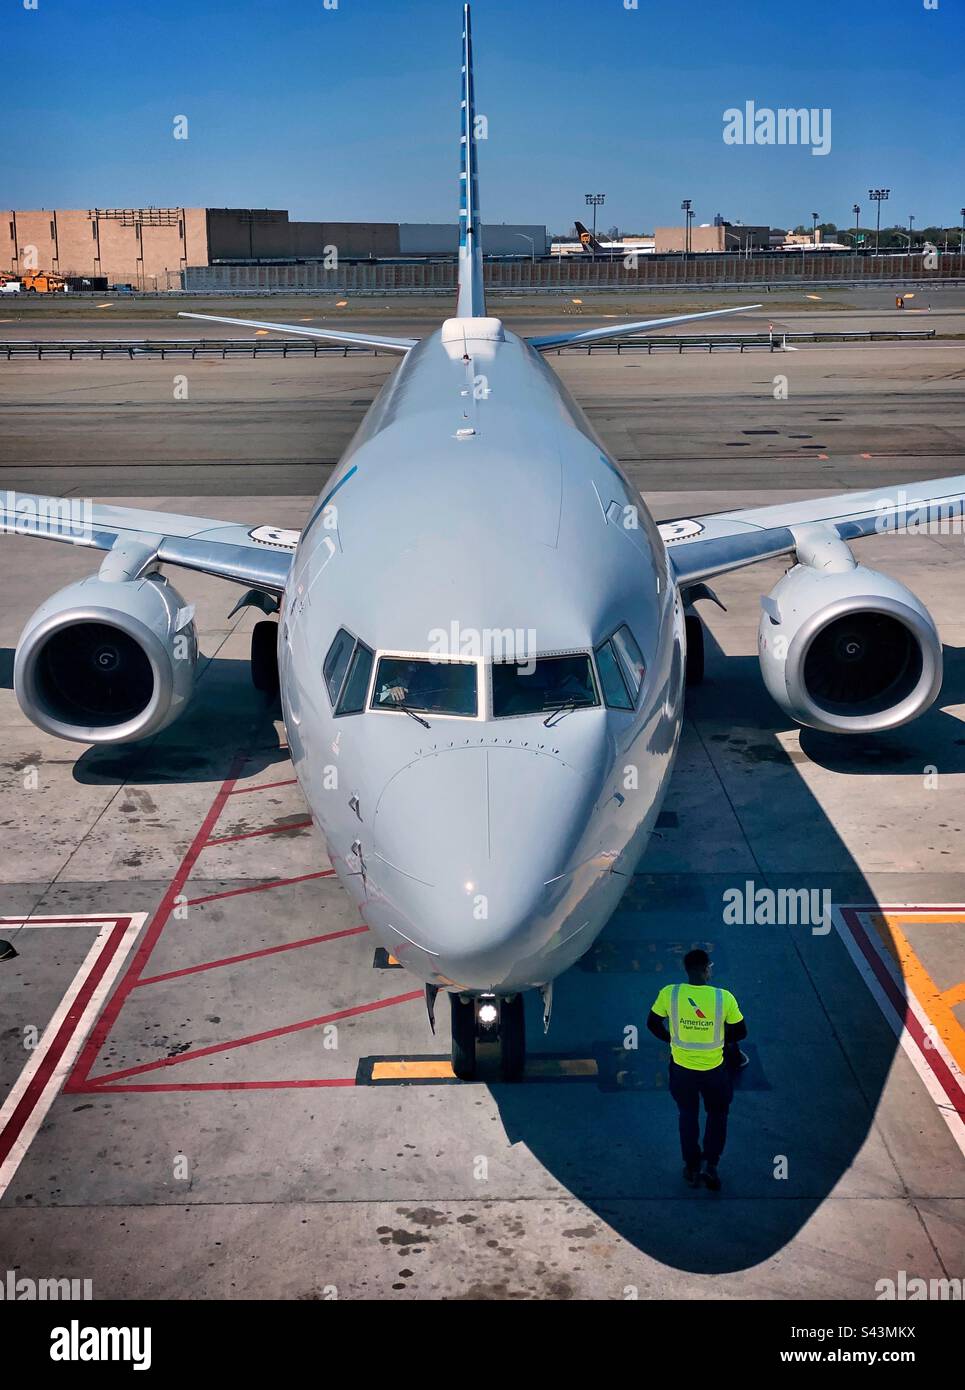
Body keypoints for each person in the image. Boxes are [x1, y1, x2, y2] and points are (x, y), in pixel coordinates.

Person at [647, 949, 747, 1190]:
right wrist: (720, 1040)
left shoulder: (670, 994)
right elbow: (741, 1032)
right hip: (714, 1071)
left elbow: (652, 1023)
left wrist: (672, 1039)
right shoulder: (724, 998)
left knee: (688, 1115)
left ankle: (691, 1167)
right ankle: (711, 1166)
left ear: (686, 969)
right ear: (706, 969)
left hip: (682, 1071)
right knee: (718, 1115)